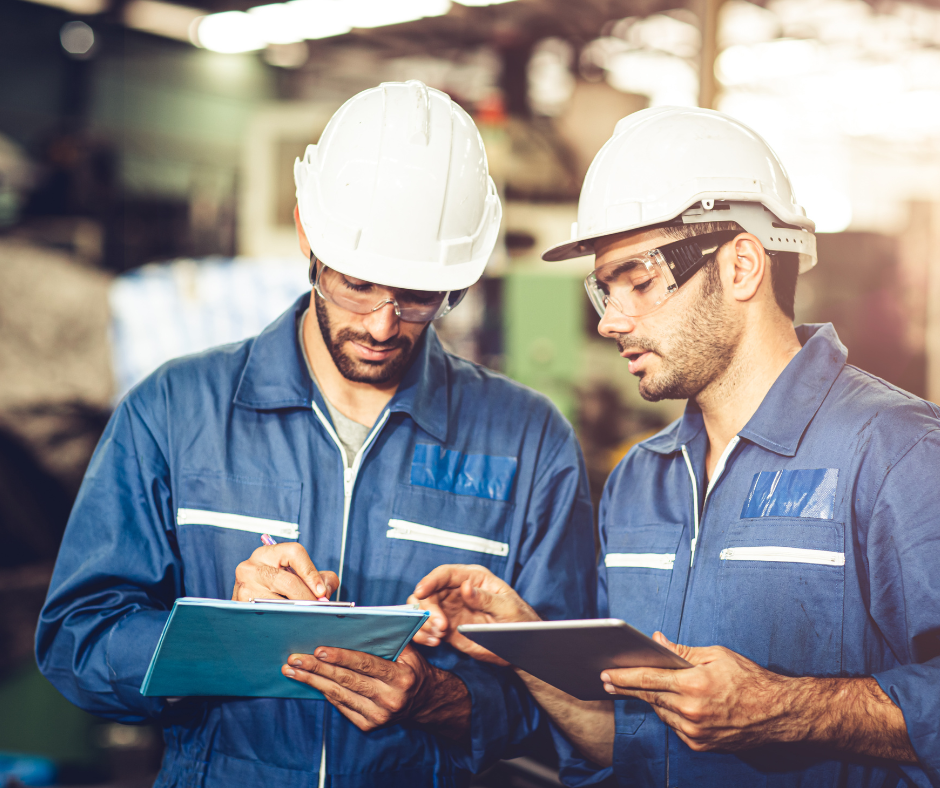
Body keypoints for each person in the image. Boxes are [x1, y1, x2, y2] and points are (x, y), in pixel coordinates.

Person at [36, 81, 596, 788]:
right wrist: (218, 638)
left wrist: (443, 702)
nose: (383, 324)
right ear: (308, 234)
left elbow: (573, 706)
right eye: (357, 284)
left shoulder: (529, 442)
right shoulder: (174, 410)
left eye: (419, 296)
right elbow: (75, 644)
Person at [410, 107, 940, 787]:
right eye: (604, 288)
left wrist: (789, 710)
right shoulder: (640, 483)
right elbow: (621, 742)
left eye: (638, 279)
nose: (611, 320)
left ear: (742, 263)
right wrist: (520, 645)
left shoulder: (895, 452)